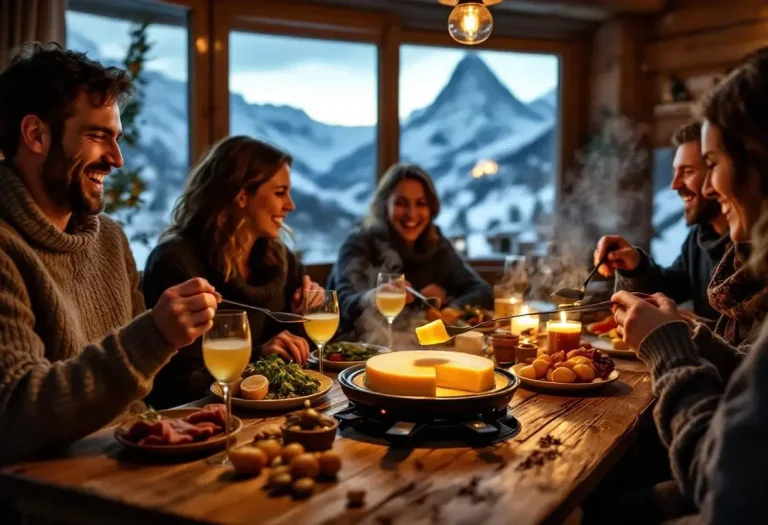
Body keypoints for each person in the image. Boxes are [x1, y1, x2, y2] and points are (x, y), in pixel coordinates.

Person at [0, 43, 218, 465]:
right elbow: (15, 414)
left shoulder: (111, 240)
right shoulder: (7, 247)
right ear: (35, 135)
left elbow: (129, 397)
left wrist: (153, 425)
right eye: (97, 136)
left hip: (121, 473)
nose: (116, 159)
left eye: (116, 139)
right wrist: (154, 335)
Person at [611, 48, 768, 524]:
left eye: (710, 163)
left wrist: (667, 345)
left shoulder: (743, 261)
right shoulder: (702, 239)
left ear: (758, 163)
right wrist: (694, 334)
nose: (704, 188)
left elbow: (721, 484)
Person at [142, 136, 322, 409]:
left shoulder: (280, 259)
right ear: (241, 195)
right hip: (199, 418)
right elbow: (172, 380)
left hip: (273, 411)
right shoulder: (175, 262)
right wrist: (258, 357)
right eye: (280, 192)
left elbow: (298, 358)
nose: (291, 205)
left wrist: (305, 314)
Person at [328, 163, 492, 337]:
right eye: (401, 203)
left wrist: (449, 309)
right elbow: (345, 304)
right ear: (385, 206)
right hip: (359, 347)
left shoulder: (436, 244)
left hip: (417, 344)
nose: (411, 214)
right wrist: (375, 297)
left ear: (431, 209)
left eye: (421, 203)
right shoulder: (361, 242)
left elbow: (482, 292)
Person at [594, 121, 730, 322]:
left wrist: (692, 329)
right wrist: (635, 265)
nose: (674, 185)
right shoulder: (700, 237)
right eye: (675, 172)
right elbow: (670, 289)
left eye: (688, 171)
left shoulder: (753, 247)